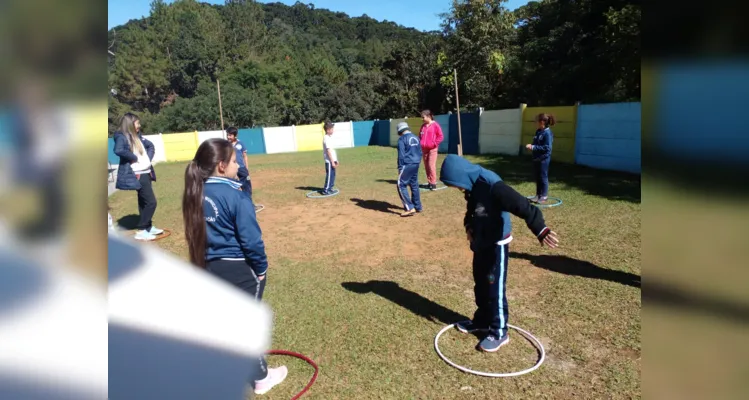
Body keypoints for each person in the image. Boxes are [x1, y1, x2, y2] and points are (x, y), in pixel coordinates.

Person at [182, 138, 287, 395]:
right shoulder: (236, 196)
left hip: (208, 268)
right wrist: (261, 269)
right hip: (239, 270)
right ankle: (261, 377)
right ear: (221, 166)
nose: (237, 163)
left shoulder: (196, 191)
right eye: (233, 160)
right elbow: (251, 241)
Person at [439, 154, 559, 352]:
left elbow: (522, 205)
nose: (459, 189)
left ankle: (499, 331)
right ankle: (483, 320)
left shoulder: (492, 184)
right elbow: (472, 209)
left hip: (497, 243)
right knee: (480, 282)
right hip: (481, 240)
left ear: (461, 175)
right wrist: (469, 225)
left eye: (456, 185)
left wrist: (541, 229)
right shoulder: (471, 185)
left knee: (494, 287)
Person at [113, 112, 163, 241]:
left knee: (143, 202)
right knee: (151, 202)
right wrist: (134, 157)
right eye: (137, 123)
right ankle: (142, 229)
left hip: (146, 171)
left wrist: (147, 159)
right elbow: (118, 150)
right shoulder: (122, 137)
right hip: (138, 173)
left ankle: (148, 227)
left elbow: (150, 146)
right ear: (130, 124)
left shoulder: (138, 136)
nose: (139, 125)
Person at [226, 127, 261, 211]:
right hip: (231, 170)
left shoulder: (240, 144)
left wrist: (246, 168)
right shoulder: (226, 145)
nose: (228, 137)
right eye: (227, 135)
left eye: (230, 135)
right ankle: (235, 207)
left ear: (235, 135)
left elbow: (245, 157)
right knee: (232, 188)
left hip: (242, 169)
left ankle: (250, 206)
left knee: (247, 187)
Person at [525, 113, 555, 203]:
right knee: (538, 177)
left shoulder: (547, 133)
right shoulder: (538, 131)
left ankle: (544, 196)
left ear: (542, 122)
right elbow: (536, 143)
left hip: (544, 159)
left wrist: (533, 147)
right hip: (536, 158)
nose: (535, 122)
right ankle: (538, 195)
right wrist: (532, 146)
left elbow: (547, 148)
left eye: (536, 121)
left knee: (543, 177)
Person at [395, 122, 423, 217]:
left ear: (400, 131)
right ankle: (418, 206)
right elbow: (420, 151)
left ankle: (410, 208)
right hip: (416, 163)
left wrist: (400, 168)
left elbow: (401, 156)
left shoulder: (402, 139)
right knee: (414, 184)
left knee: (400, 184)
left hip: (407, 164)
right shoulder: (416, 137)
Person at [419, 110, 444, 190]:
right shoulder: (423, 126)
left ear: (429, 116)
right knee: (426, 166)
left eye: (423, 117)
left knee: (431, 165)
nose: (422, 119)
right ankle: (429, 182)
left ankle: (433, 183)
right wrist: (420, 143)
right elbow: (420, 136)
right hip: (424, 149)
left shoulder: (435, 125)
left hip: (432, 149)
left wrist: (434, 144)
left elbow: (440, 136)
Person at [321, 121, 338, 195]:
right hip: (329, 161)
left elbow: (332, 150)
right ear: (328, 130)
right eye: (332, 128)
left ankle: (330, 188)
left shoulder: (329, 137)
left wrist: (336, 160)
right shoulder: (326, 138)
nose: (333, 130)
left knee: (333, 175)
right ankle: (326, 190)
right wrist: (332, 161)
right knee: (329, 175)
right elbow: (328, 151)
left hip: (332, 160)